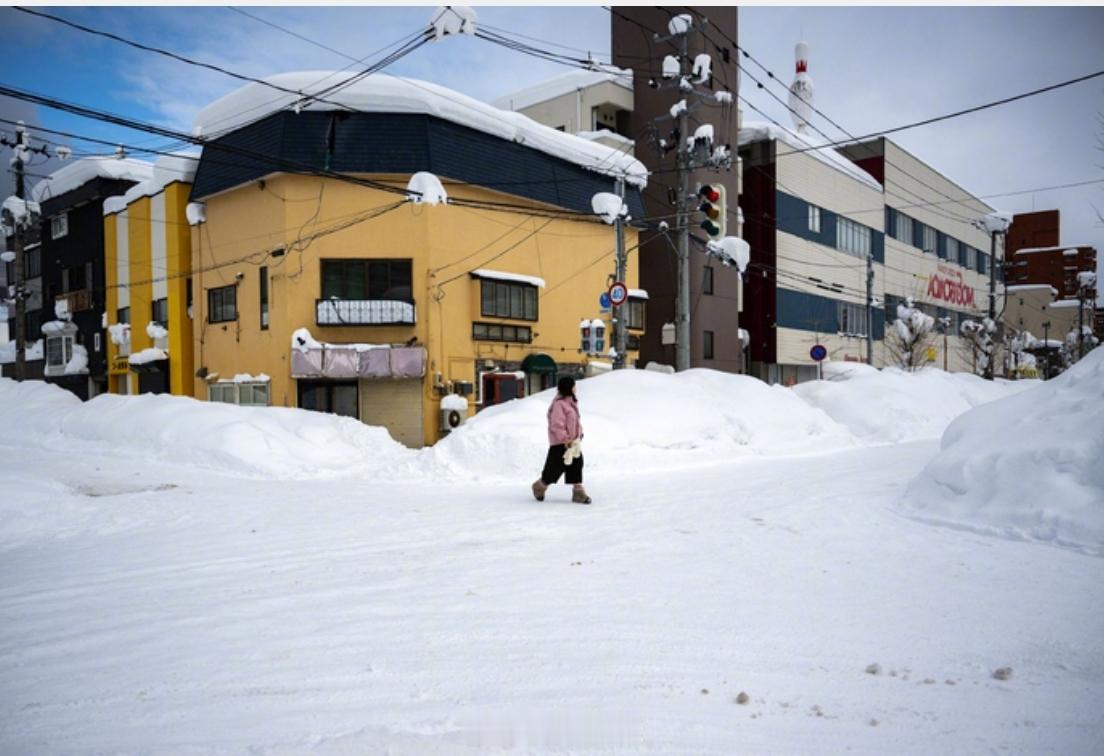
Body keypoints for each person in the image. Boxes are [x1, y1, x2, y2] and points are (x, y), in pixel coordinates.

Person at [531, 376, 591, 504]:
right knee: (554, 469)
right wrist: (565, 439)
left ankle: (578, 492)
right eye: (574, 386)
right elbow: (556, 425)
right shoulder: (559, 404)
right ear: (569, 387)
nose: (576, 388)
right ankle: (539, 487)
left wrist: (579, 434)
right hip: (560, 443)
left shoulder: (571, 403)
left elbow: (576, 422)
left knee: (576, 465)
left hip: (573, 443)